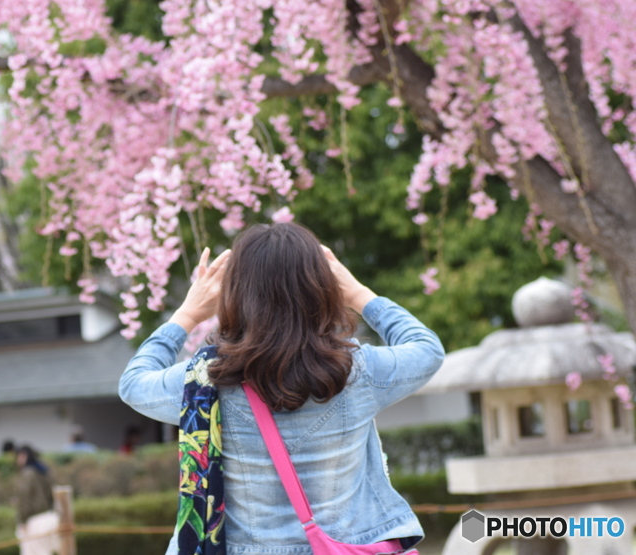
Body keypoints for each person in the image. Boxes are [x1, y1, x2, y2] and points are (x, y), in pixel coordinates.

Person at [119, 222, 444, 555]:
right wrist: (359, 294)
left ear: (236, 293)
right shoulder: (357, 370)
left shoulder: (206, 381)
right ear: (322, 286)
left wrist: (187, 314)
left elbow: (133, 384)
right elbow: (427, 349)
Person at [12, 445, 60, 555]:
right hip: (50, 517)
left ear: (23, 456)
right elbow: (53, 493)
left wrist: (22, 520)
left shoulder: (28, 473)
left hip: (35, 521)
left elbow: (25, 498)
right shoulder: (43, 471)